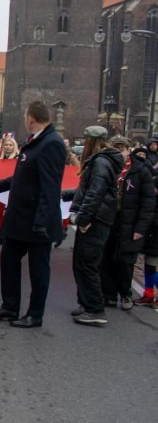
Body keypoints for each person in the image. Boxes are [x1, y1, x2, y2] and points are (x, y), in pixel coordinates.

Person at [0, 101, 67, 328]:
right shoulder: (34, 142)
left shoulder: (51, 143)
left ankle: (35, 314)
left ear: (30, 117)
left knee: (39, 270)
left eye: (25, 116)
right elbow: (23, 177)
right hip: (20, 218)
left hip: (37, 221)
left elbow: (50, 186)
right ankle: (10, 307)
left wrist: (42, 221)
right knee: (8, 259)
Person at [67, 127, 123, 326]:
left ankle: (95, 309)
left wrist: (83, 218)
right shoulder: (102, 161)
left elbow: (95, 193)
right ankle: (87, 304)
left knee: (87, 264)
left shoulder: (100, 162)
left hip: (95, 220)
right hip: (97, 217)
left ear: (90, 141)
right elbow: (89, 191)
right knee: (83, 263)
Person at [100, 136, 155, 311]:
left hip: (130, 222)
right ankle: (109, 294)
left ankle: (125, 293)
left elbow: (148, 201)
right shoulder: (105, 167)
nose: (119, 151)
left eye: (122, 148)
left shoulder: (140, 170)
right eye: (115, 148)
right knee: (106, 258)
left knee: (125, 261)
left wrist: (140, 228)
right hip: (108, 220)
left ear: (128, 150)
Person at [0, 136, 20, 245]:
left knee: (10, 213)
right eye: (6, 145)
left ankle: (8, 234)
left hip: (12, 188)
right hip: (0, 187)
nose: (7, 147)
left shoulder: (18, 158)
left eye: (10, 145)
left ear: (14, 147)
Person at [137, 174, 158, 308]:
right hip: (151, 234)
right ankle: (148, 295)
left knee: (152, 266)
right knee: (147, 265)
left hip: (155, 234)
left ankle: (149, 295)